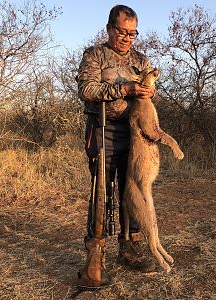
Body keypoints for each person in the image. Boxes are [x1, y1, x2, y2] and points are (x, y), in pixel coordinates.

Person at [77, 5, 156, 274]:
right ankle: (95, 252)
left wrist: (148, 90)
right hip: (103, 128)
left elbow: (149, 92)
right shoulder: (95, 55)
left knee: (132, 187)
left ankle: (130, 245)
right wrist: (126, 88)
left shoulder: (141, 59)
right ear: (109, 27)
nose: (127, 38)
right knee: (102, 189)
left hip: (135, 134)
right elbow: (86, 89)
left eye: (132, 33)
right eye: (122, 32)